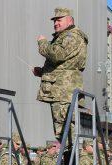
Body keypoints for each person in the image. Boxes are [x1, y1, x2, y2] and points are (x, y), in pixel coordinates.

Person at [33, 7, 88, 143]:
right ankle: (70, 161)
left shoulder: (72, 36)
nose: (56, 23)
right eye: (54, 20)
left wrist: (42, 43)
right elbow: (64, 65)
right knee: (62, 133)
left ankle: (72, 163)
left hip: (64, 93)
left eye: (59, 20)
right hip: (61, 91)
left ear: (70, 20)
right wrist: (43, 72)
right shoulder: (66, 36)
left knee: (66, 132)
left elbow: (57, 55)